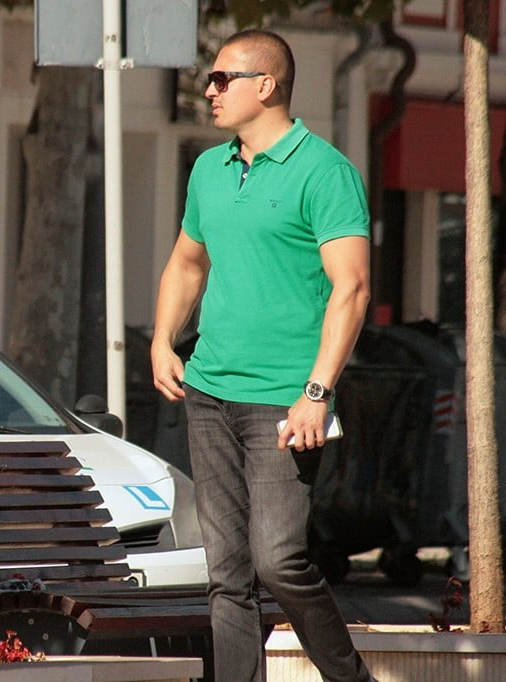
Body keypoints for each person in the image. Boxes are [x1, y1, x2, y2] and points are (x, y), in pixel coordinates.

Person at [150, 30, 375, 682]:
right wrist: (163, 339)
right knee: (227, 574)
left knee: (279, 560)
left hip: (284, 401)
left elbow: (352, 288)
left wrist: (317, 392)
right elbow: (188, 263)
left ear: (267, 85)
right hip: (209, 391)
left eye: (223, 78)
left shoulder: (325, 172)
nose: (209, 90)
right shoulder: (209, 169)